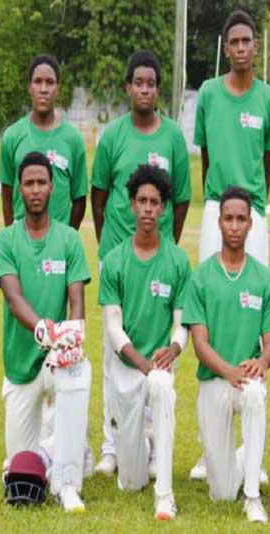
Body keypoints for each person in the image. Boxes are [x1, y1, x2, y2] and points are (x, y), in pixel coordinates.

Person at [90, 49, 191, 476]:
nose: (146, 89)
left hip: (158, 258)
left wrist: (167, 246)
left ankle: (150, 440)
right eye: (139, 83)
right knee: (115, 353)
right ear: (128, 87)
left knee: (155, 349)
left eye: (152, 83)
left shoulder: (172, 137)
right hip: (119, 257)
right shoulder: (112, 136)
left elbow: (181, 198)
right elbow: (97, 194)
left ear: (158, 90)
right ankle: (112, 444)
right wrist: (110, 248)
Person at [0, 152, 92, 512]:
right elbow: (13, 297)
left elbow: (76, 299)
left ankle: (68, 482)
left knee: (80, 371)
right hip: (21, 364)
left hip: (56, 356)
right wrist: (44, 330)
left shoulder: (68, 239)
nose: (35, 189)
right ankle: (71, 446)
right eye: (29, 183)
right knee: (20, 471)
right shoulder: (6, 240)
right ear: (20, 189)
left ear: (53, 187)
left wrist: (73, 338)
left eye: (42, 182)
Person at [182, 186, 270, 523]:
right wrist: (228, 371)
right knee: (222, 492)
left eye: (242, 219)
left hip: (246, 381)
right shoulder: (202, 277)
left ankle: (253, 496)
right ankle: (241, 458)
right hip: (215, 380)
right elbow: (199, 344)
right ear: (219, 222)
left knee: (256, 395)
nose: (235, 226)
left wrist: (262, 362)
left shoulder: (263, 279)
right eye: (229, 219)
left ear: (251, 224)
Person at [99, 165, 189, 519]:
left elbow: (182, 326)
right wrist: (140, 361)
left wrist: (173, 349)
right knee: (131, 481)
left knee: (162, 387)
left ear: (164, 207)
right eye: (142, 201)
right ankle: (141, 446)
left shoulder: (178, 261)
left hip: (159, 365)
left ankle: (164, 495)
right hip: (127, 367)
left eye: (155, 202)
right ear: (132, 205)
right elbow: (112, 326)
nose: (149, 209)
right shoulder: (116, 261)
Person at [192, 9, 270, 266]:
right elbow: (206, 156)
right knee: (210, 289)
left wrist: (255, 201)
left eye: (246, 41)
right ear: (226, 50)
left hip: (253, 207)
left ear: (256, 46)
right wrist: (215, 201)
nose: (241, 47)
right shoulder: (208, 93)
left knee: (252, 293)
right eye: (234, 42)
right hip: (215, 207)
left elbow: (267, 162)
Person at [0, 54, 87, 228]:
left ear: (58, 88)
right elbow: (7, 194)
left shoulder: (73, 139)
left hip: (59, 245)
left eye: (50, 82)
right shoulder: (12, 136)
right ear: (29, 87)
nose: (43, 89)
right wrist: (12, 236)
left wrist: (67, 237)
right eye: (38, 81)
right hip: (22, 242)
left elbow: (79, 199)